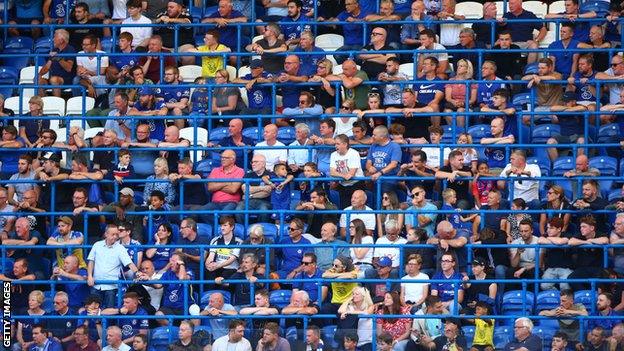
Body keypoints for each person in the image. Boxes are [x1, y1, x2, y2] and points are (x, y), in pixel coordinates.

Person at [87, 224, 139, 308]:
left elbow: (129, 263)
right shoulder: (97, 245)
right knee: (92, 311)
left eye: (116, 234)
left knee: (109, 312)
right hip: (96, 284)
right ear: (106, 234)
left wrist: (137, 273)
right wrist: (89, 276)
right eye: (112, 234)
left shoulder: (120, 248)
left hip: (111, 286)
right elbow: (91, 261)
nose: (115, 237)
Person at [199, 150, 244, 225]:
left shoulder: (239, 171)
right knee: (202, 212)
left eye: (225, 158)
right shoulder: (215, 170)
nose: (222, 159)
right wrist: (227, 183)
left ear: (233, 159)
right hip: (215, 202)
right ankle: (218, 229)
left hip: (231, 202)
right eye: (221, 157)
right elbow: (210, 187)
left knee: (224, 215)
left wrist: (217, 185)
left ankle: (221, 230)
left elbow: (233, 189)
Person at [37, 29, 76, 97]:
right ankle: (43, 103)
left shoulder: (70, 49)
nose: (53, 39)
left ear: (61, 40)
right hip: (52, 79)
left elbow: (69, 68)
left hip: (66, 80)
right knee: (38, 79)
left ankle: (57, 104)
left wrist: (58, 58)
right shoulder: (55, 50)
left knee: (54, 79)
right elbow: (47, 67)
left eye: (55, 37)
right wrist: (39, 75)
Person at [538, 217, 574, 291]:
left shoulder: (567, 235)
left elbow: (560, 242)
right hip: (551, 268)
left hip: (565, 268)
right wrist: (554, 240)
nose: (548, 230)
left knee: (565, 287)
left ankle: (564, 298)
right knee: (544, 286)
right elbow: (540, 240)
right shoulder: (546, 235)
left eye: (551, 228)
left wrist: (549, 239)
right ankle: (557, 296)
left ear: (559, 229)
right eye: (547, 228)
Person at [205, 216, 243, 282]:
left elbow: (231, 259)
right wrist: (208, 264)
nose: (222, 228)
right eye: (221, 226)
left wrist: (218, 266)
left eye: (225, 225)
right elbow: (211, 256)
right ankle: (210, 292)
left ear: (232, 227)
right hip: (217, 267)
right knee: (208, 272)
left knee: (225, 274)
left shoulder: (238, 242)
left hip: (231, 269)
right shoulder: (215, 240)